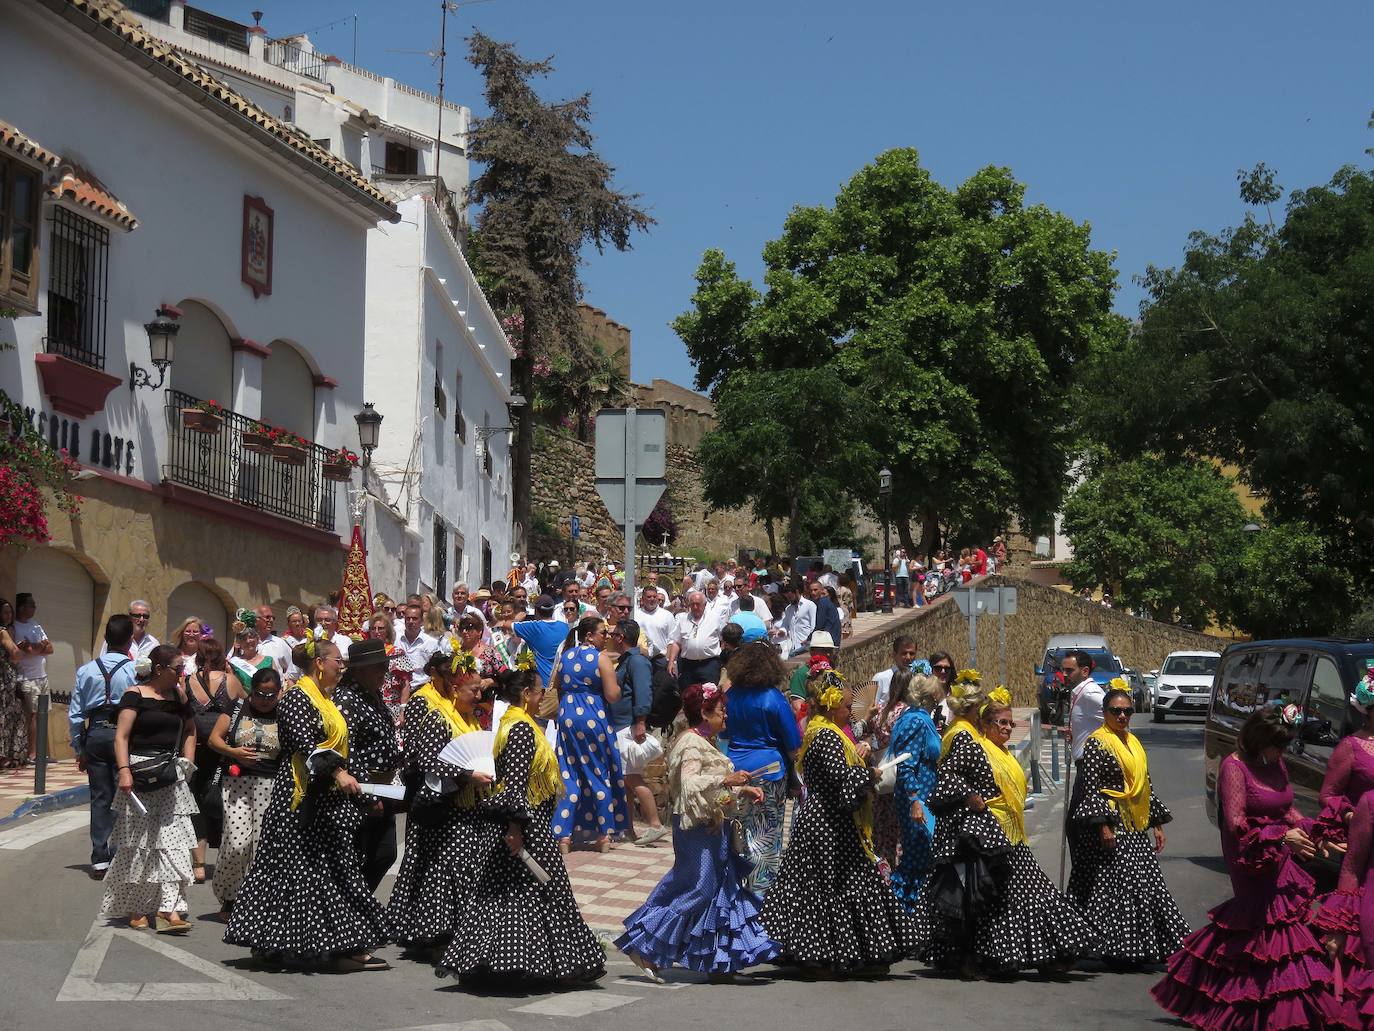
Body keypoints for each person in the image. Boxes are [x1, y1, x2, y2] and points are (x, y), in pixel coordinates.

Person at [1152, 706, 1352, 1028]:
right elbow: (1235, 823)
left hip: (1279, 849)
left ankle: (1279, 1004)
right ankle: (1226, 996)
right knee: (1258, 919)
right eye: (1278, 745)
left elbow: (1287, 810)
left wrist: (1318, 833)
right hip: (1250, 853)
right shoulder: (1235, 767)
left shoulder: (1276, 763)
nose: (1281, 752)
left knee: (1281, 925)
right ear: (1258, 740)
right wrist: (1282, 836)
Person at [224, 637, 391, 972]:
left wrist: (365, 795)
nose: (341, 666)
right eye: (336, 661)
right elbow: (305, 744)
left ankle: (340, 943)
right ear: (319, 663)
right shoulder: (297, 699)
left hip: (329, 801)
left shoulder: (329, 702)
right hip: (298, 801)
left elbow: (347, 749)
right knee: (288, 873)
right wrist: (338, 772)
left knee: (335, 872)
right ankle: (277, 944)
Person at [440, 663, 605, 984]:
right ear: (526, 694)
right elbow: (514, 786)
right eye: (540, 690)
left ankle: (521, 964)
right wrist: (515, 830)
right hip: (524, 826)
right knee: (534, 891)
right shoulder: (519, 729)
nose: (543, 694)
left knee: (519, 894)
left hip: (527, 822)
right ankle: (507, 964)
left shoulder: (521, 723)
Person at [916, 686, 1096, 979]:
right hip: (990, 836)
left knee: (1021, 895)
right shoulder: (972, 744)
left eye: (1011, 723)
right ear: (984, 723)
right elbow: (946, 781)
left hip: (1011, 834)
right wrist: (970, 796)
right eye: (1002, 722)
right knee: (1019, 894)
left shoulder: (1002, 751)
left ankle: (1042, 953)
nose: (1008, 728)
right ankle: (1043, 955)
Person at [617, 682, 779, 983]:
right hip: (695, 829)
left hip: (709, 825)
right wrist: (727, 778)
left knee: (716, 887)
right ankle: (645, 946)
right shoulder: (691, 744)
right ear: (705, 713)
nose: (725, 718)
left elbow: (709, 784)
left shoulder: (703, 740)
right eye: (721, 712)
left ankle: (718, 961)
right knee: (699, 889)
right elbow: (692, 784)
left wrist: (741, 787)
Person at [762, 667, 918, 976]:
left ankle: (851, 949)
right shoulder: (824, 737)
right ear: (832, 706)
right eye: (847, 707)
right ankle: (823, 953)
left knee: (844, 885)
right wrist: (869, 773)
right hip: (827, 825)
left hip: (833, 821)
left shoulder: (827, 732)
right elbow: (841, 778)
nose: (851, 711)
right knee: (823, 888)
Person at [387, 639, 500, 952]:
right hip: (445, 806)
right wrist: (466, 776)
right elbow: (426, 760)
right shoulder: (440, 719)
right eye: (472, 690)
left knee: (459, 871)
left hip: (468, 808)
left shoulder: (471, 719)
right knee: (445, 871)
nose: (478, 696)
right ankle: (437, 934)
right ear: (455, 689)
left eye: (480, 690)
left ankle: (453, 933)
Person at [1068, 687, 1188, 967]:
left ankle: (1145, 944)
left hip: (1134, 824)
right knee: (1111, 887)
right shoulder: (1098, 743)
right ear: (1105, 713)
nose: (1122, 716)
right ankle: (1108, 946)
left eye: (1127, 711)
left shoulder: (1133, 742)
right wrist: (1103, 826)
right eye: (1115, 711)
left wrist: (1156, 823)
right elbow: (1091, 788)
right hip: (1110, 823)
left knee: (1144, 886)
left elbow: (1144, 784)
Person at [101, 644, 197, 934]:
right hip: (139, 773)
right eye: (178, 668)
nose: (182, 673)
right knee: (138, 843)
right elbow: (122, 736)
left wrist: (187, 763)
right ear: (159, 669)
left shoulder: (179, 696)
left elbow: (191, 730)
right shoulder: (135, 694)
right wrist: (124, 771)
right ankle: (137, 907)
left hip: (171, 774)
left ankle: (171, 909)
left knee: (172, 844)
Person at [724, 642, 801, 893]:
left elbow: (724, 730)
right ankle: (762, 895)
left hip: (736, 769)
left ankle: (738, 889)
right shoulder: (774, 698)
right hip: (769, 771)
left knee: (739, 831)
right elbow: (793, 744)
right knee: (766, 834)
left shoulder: (731, 696)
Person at [208, 668, 283, 919]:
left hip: (271, 785)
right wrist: (235, 752)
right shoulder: (237, 708)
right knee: (237, 843)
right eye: (260, 694)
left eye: (270, 695)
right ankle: (229, 895)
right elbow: (214, 739)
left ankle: (257, 900)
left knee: (263, 846)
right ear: (251, 691)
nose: (264, 700)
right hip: (237, 785)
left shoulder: (284, 713)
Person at [551, 616, 628, 852]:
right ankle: (604, 834)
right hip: (593, 717)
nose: (606, 637)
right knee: (597, 772)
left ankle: (563, 835)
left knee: (569, 772)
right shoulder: (601, 658)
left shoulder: (565, 656)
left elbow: (556, 685)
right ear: (589, 636)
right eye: (602, 633)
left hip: (567, 715)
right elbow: (613, 695)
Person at [69, 614, 137, 876]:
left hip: (95, 733)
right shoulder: (134, 670)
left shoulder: (86, 670)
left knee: (100, 797)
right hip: (124, 733)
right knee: (125, 794)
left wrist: (79, 748)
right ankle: (121, 852)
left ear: (106, 639)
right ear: (130, 640)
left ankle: (100, 856)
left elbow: (75, 714)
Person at [335, 639, 404, 893]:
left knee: (384, 854)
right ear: (359, 669)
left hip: (385, 786)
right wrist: (368, 795)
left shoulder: (372, 693)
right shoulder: (346, 699)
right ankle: (351, 906)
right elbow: (347, 749)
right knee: (364, 854)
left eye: (384, 667)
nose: (383, 674)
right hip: (362, 788)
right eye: (378, 668)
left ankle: (357, 905)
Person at [184, 636, 240, 884]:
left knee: (195, 806)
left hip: (194, 750)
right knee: (227, 803)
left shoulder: (186, 682)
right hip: (223, 752)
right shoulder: (231, 681)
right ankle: (226, 860)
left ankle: (198, 866)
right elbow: (248, 707)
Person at [888, 674, 945, 906]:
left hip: (923, 798)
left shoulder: (916, 717)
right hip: (917, 800)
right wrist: (914, 800)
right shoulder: (916, 721)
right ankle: (906, 909)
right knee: (918, 856)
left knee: (922, 855)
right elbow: (906, 764)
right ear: (931, 695)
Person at [608, 619, 665, 846]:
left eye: (613, 634)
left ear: (620, 637)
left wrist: (640, 721)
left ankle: (654, 824)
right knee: (625, 779)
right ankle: (628, 828)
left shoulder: (637, 662)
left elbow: (643, 692)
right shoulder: (627, 661)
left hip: (628, 725)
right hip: (622, 725)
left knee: (631, 776)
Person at [1314, 674, 1374, 849]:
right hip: (1364, 842)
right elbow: (1328, 796)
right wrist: (1351, 816)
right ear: (1369, 709)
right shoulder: (1350, 746)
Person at [12, 592, 52, 766]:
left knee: (43, 715)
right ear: (21, 607)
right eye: (31, 605)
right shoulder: (16, 627)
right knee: (33, 715)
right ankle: (32, 754)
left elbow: (50, 648)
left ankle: (42, 753)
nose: (34, 608)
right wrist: (38, 646)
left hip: (42, 676)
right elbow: (27, 650)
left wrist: (38, 647)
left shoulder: (35, 625)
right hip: (27, 678)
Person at [505, 595, 566, 699]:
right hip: (561, 682)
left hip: (542, 685)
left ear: (536, 611)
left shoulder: (534, 627)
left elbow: (506, 625)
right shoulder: (564, 626)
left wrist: (520, 616)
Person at [666, 591, 723, 696]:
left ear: (705, 605)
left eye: (698, 604)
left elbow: (723, 640)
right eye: (692, 604)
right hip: (688, 666)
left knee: (710, 698)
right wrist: (671, 662)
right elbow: (676, 643)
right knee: (688, 697)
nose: (695, 607)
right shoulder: (682, 619)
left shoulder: (715, 619)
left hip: (709, 664)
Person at [368, 611, 412, 728]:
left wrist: (403, 710)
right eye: (373, 628)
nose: (376, 632)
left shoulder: (397, 653)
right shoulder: (366, 654)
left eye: (380, 629)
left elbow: (405, 684)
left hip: (392, 708)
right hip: (369, 705)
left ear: (387, 631)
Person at [0, 599, 25, 768]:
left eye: (10, 612)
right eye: (5, 612)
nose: (9, 615)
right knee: (8, 715)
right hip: (5, 678)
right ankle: (5, 755)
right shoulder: (2, 631)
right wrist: (14, 658)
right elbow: (15, 652)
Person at [393, 602, 438, 689]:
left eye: (414, 618)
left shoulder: (431, 643)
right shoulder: (395, 639)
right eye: (408, 618)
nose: (410, 622)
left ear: (421, 621)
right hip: (397, 689)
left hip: (421, 688)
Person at [776, 580, 816, 659]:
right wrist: (782, 631)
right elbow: (785, 624)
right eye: (788, 598)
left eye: (791, 597)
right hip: (794, 645)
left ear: (797, 592)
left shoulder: (809, 605)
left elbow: (813, 624)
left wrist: (809, 639)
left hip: (806, 644)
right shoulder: (788, 609)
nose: (790, 600)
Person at [254, 604, 292, 675]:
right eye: (267, 617)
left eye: (273, 618)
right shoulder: (246, 643)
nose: (271, 620)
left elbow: (292, 668)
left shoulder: (280, 643)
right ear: (256, 620)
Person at [809, 580, 842, 652]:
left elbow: (819, 625)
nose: (813, 593)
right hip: (831, 640)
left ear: (822, 590)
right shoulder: (824, 602)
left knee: (794, 654)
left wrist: (808, 638)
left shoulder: (823, 603)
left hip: (828, 642)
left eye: (815, 590)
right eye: (811, 591)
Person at [928, 652, 955, 728]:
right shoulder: (923, 697)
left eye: (947, 669)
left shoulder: (956, 697)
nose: (943, 671)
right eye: (938, 668)